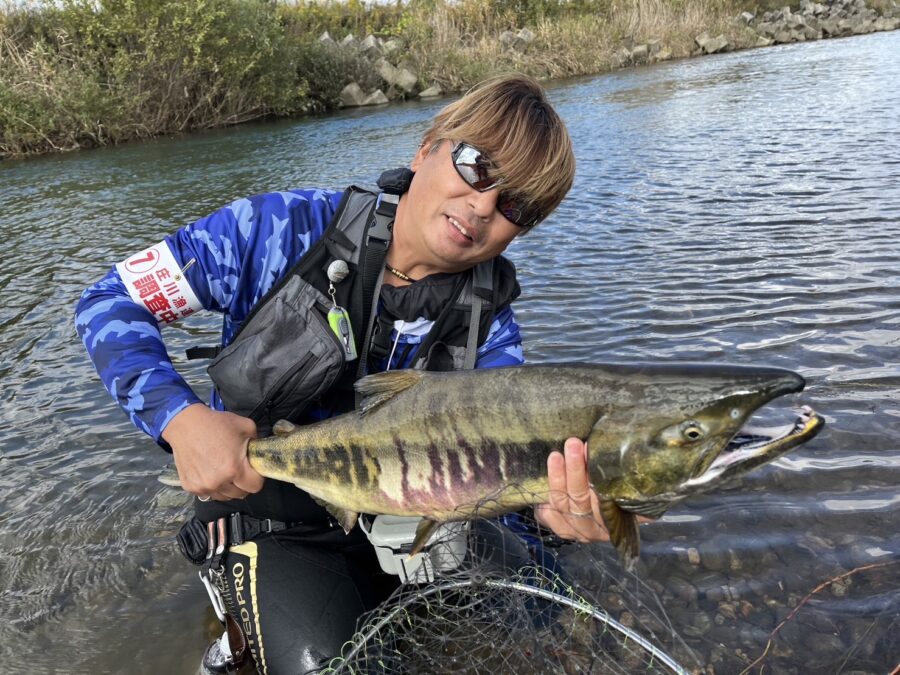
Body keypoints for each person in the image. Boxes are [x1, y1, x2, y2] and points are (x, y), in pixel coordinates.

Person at [75, 74, 613, 674]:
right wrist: (180, 419)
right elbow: (110, 300)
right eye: (477, 166)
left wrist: (549, 515)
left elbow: (491, 472)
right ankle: (236, 637)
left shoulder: (492, 329)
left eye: (516, 206)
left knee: (545, 614)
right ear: (427, 149)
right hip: (272, 515)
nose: (483, 205)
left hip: (414, 520)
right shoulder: (276, 230)